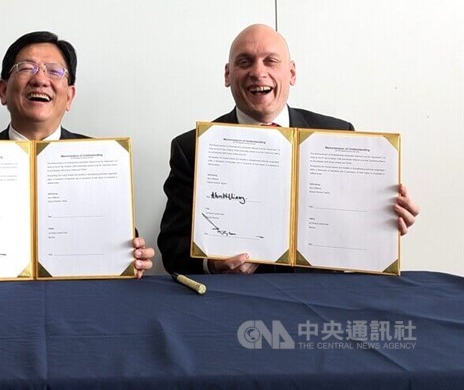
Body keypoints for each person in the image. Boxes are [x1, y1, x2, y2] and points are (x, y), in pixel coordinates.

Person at [158, 23, 420, 275]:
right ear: (228, 74)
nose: (258, 72)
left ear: (292, 73)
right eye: (244, 61)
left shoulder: (339, 135)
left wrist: (384, 222)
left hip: (321, 298)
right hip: (235, 298)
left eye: (271, 61)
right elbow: (172, 250)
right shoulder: (191, 148)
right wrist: (213, 266)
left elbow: (355, 228)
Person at [0, 31, 155, 282]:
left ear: (69, 96)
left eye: (54, 70)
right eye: (27, 67)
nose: (40, 79)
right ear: (3, 91)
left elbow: (122, 246)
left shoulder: (102, 159)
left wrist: (133, 258)